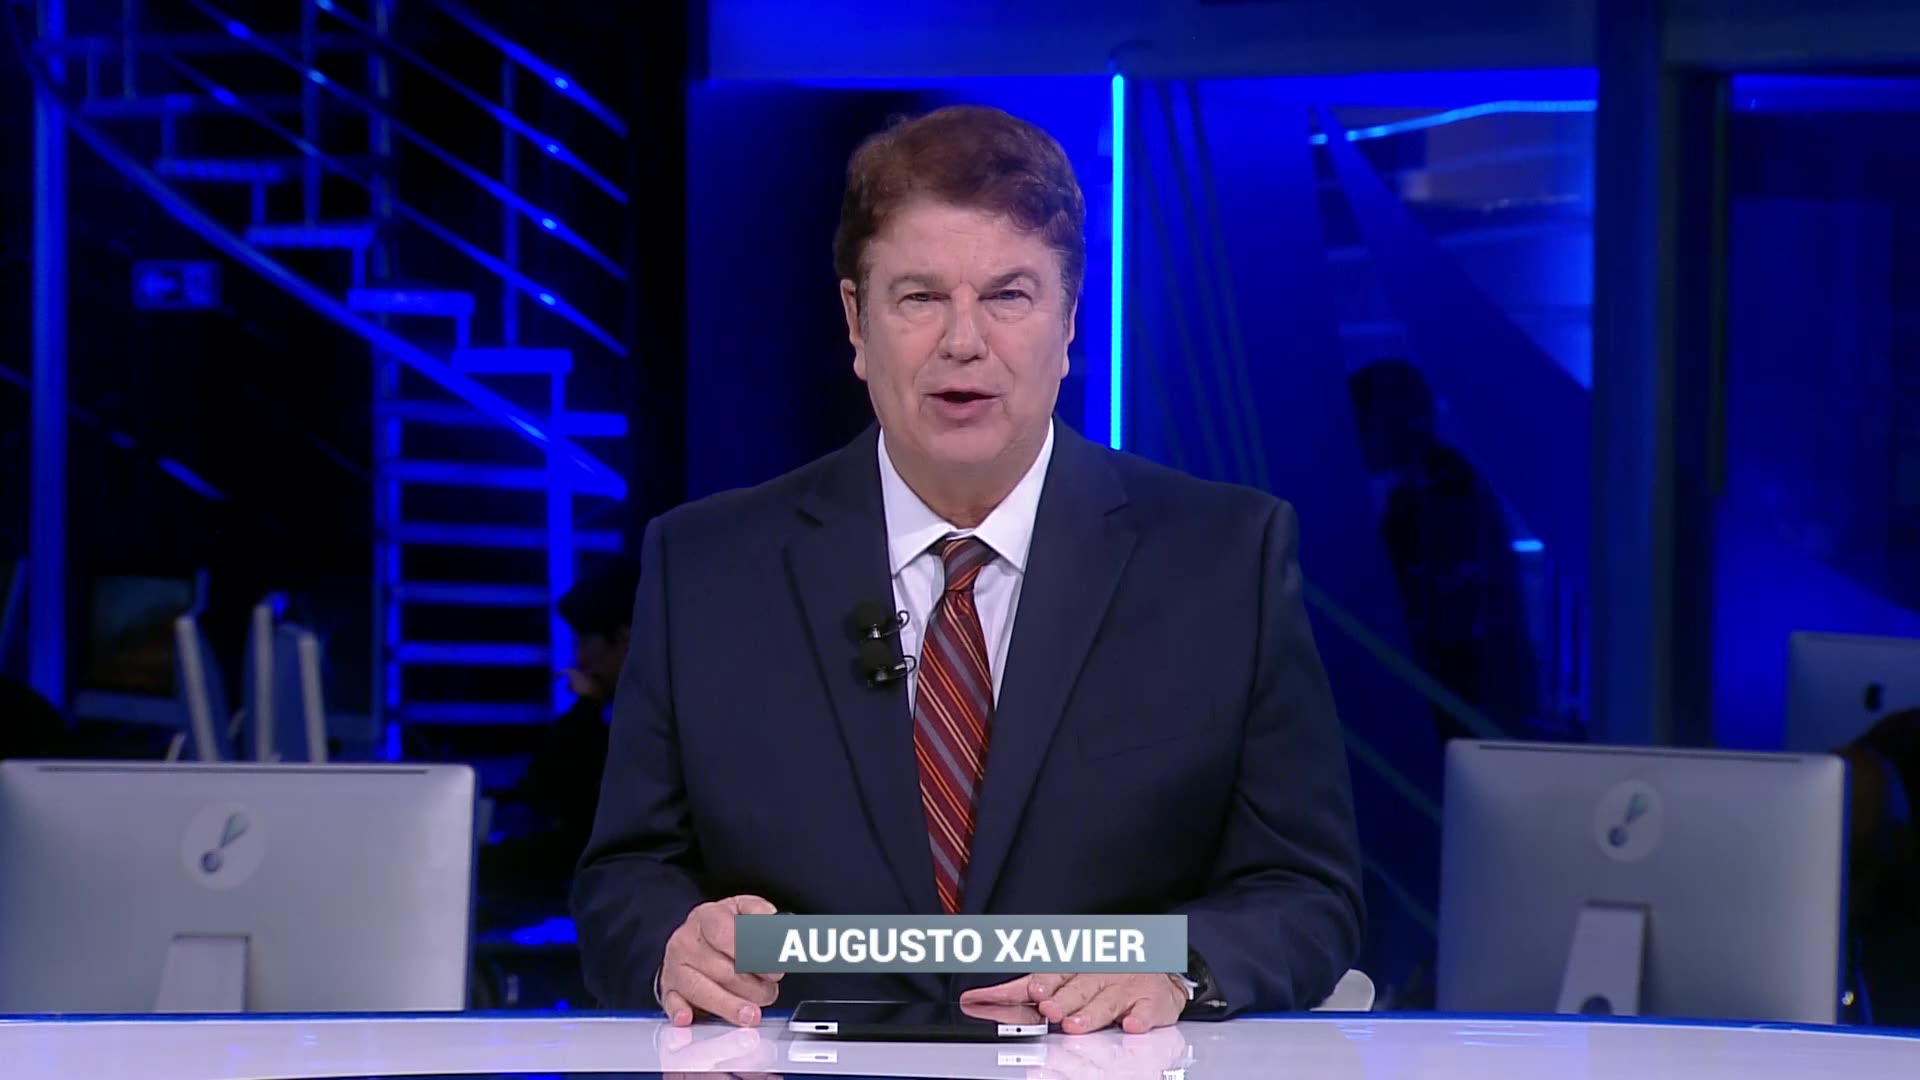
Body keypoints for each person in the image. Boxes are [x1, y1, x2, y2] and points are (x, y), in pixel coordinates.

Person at [573, 105, 1362, 1035]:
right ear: (856, 322)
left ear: (1069, 321)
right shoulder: (706, 567)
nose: (963, 341)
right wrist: (676, 944)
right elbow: (625, 878)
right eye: (919, 298)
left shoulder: (1223, 560)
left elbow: (1306, 893)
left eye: (1009, 296)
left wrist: (1174, 967)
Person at [1348, 359, 1542, 742]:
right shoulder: (1423, 492)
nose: (1359, 440)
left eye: (1365, 424)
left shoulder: (1448, 494)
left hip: (1452, 705)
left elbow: (1451, 613)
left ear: (1398, 420)